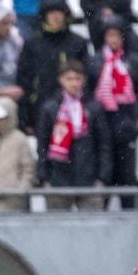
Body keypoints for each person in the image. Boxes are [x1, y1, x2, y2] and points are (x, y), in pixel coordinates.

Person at [87, 15, 138, 197]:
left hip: (126, 121)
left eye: (117, 35)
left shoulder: (135, 62)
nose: (113, 39)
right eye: (110, 35)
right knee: (104, 173)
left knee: (127, 176)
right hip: (102, 122)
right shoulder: (95, 62)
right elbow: (88, 92)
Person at [34, 63, 109, 207]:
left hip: (89, 178)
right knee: (57, 226)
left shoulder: (93, 107)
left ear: (84, 80)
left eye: (78, 78)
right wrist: (44, 178)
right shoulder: (50, 108)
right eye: (69, 79)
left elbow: (104, 144)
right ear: (61, 80)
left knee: (91, 227)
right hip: (58, 179)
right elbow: (42, 145)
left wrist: (102, 177)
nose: (74, 83)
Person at [15, 0, 87, 130]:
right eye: (51, 13)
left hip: (72, 107)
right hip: (39, 106)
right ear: (44, 16)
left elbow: (86, 76)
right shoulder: (32, 44)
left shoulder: (78, 43)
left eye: (59, 12)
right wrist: (25, 118)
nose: (56, 17)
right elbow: (23, 80)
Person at [0, 98, 32, 209]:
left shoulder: (19, 139)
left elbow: (28, 168)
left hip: (12, 199)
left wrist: (20, 190)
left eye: (1, 118)